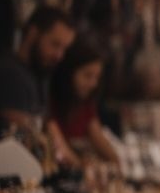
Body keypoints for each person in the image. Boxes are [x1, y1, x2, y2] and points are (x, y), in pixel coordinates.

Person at [0, 5, 74, 139]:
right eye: (55, 44)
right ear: (33, 33)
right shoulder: (10, 75)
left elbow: (48, 128)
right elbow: (28, 137)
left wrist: (76, 160)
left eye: (64, 49)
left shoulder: (38, 72)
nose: (59, 55)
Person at [47, 37, 121, 166]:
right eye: (87, 75)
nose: (94, 83)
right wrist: (83, 169)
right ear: (69, 72)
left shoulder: (85, 103)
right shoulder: (49, 102)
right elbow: (60, 149)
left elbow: (100, 141)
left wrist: (116, 164)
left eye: (97, 77)